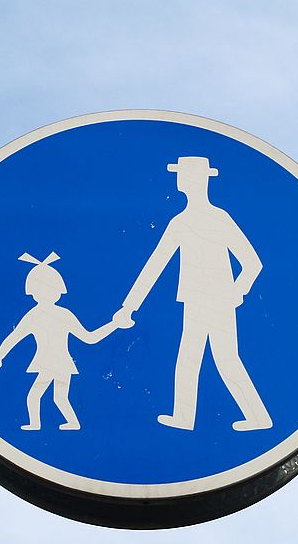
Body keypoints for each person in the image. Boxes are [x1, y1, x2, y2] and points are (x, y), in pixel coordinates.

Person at [114, 156, 272, 431]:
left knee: (222, 359)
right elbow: (156, 265)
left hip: (217, 300)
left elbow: (252, 263)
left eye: (183, 174)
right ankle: (186, 417)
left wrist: (237, 291)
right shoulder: (180, 222)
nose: (179, 179)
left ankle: (256, 417)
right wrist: (129, 306)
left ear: (195, 180)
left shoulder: (217, 218)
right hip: (195, 300)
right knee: (193, 357)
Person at [0, 252, 130, 430]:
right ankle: (62, 423)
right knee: (56, 397)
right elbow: (15, 336)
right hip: (58, 363)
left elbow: (89, 338)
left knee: (39, 396)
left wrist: (114, 324)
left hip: (54, 362)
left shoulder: (43, 315)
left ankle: (44, 424)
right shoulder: (50, 314)